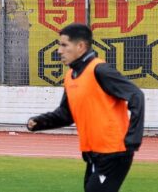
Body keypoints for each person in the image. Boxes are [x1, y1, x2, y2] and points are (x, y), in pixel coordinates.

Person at [27, 23, 144, 192]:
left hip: (114, 152)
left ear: (80, 46)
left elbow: (136, 96)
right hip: (93, 153)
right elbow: (66, 114)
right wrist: (39, 122)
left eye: (64, 45)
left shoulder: (100, 70)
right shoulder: (71, 76)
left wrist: (132, 139)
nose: (59, 51)